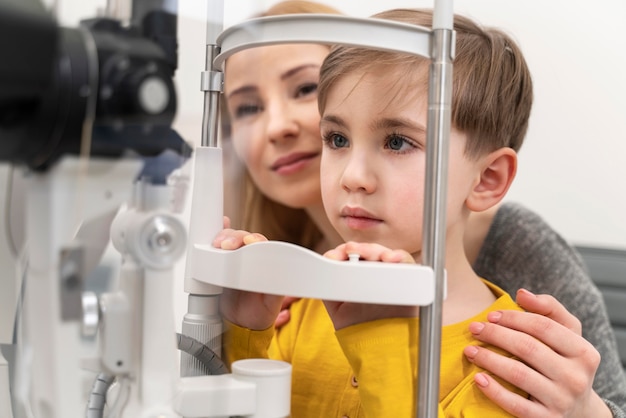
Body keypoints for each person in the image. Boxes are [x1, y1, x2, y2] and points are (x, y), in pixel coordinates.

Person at [218, 1, 626, 416]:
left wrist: (378, 340)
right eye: (337, 139)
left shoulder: (515, 364)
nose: (352, 176)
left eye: (397, 142)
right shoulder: (300, 312)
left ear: (487, 179)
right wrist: (243, 332)